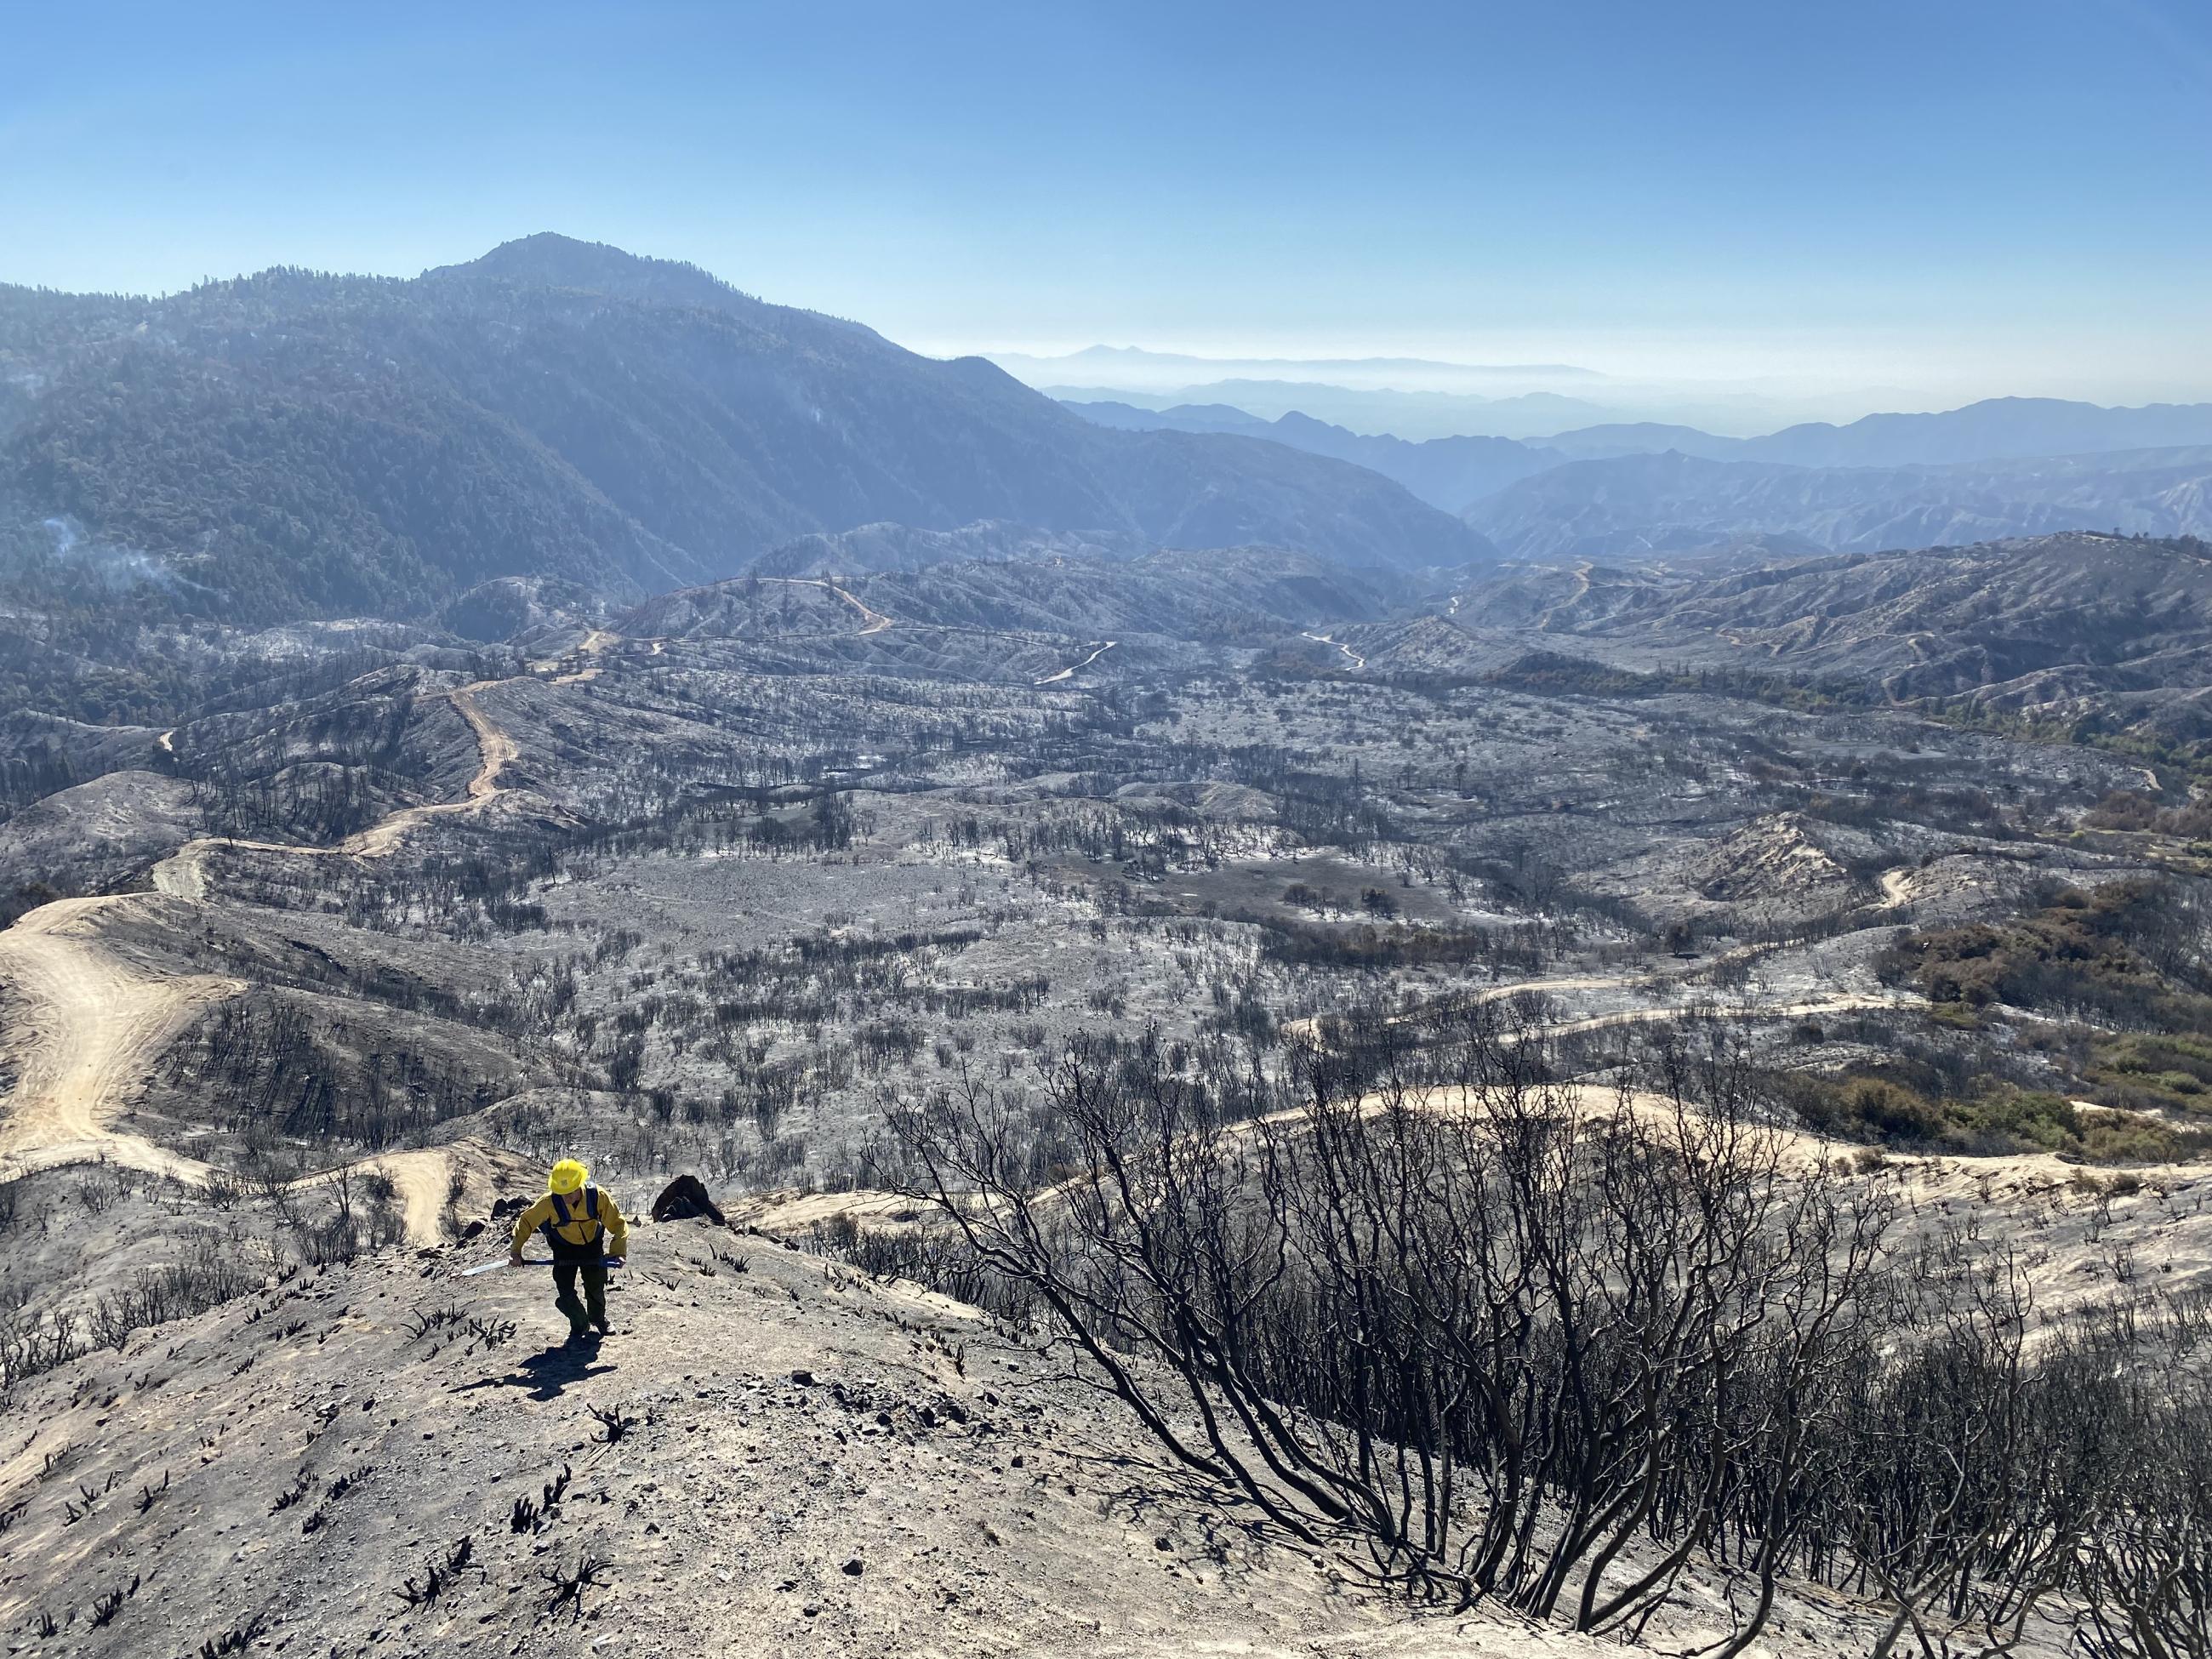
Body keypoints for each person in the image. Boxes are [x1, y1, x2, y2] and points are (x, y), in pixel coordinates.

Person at [510, 1159, 629, 1346]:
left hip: (591, 1245)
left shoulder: (597, 1196)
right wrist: (516, 1252)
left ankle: (598, 1319)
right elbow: (526, 1222)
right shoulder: (549, 1202)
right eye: (561, 1193)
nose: (565, 1197)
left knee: (595, 1286)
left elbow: (618, 1224)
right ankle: (579, 1325)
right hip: (563, 1248)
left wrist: (618, 1252)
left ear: (579, 1185)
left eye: (570, 1192)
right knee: (565, 1291)